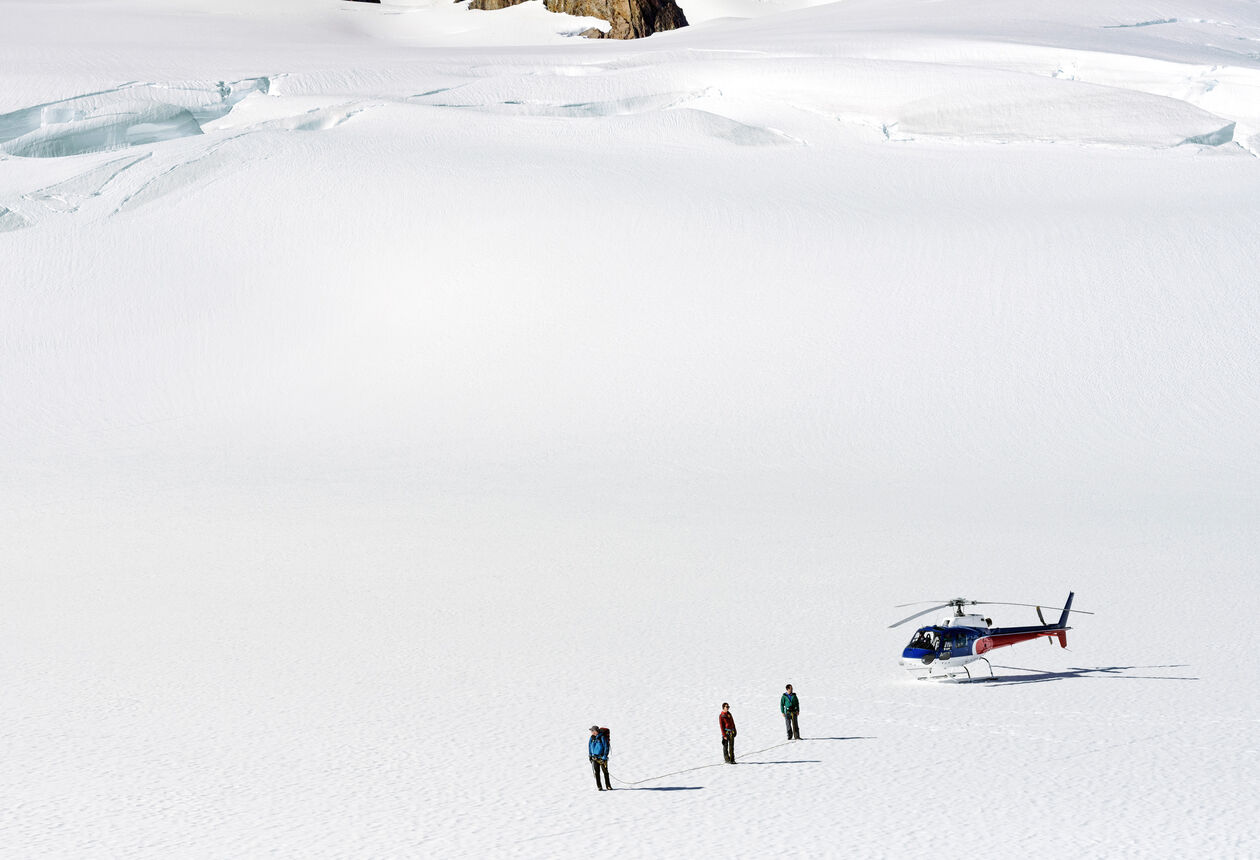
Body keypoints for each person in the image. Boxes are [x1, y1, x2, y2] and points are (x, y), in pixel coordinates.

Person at [588, 725, 611, 791]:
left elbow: (606, 747)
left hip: (602, 758)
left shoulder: (602, 737)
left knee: (605, 772)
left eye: (592, 731)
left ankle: (608, 786)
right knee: (597, 772)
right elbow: (589, 747)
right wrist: (590, 755)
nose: (592, 732)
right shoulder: (592, 738)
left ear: (596, 731)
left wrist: (604, 756)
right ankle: (599, 787)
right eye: (591, 731)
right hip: (594, 758)